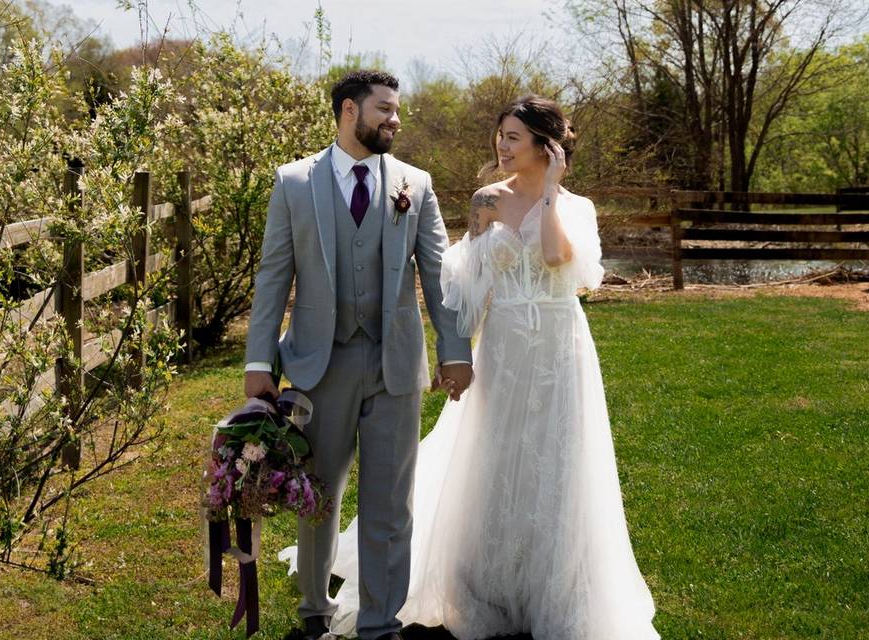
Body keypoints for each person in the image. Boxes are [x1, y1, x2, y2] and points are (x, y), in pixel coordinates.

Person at [312, 95, 661, 639]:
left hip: (559, 344)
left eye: (514, 137)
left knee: (557, 457)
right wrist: (459, 352)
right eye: (499, 135)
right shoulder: (485, 202)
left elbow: (556, 261)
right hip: (503, 346)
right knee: (497, 452)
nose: (501, 146)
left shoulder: (577, 207)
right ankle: (486, 586)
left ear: (547, 146)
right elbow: (464, 284)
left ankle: (552, 585)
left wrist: (549, 193)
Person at [243, 70, 474, 640]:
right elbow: (274, 275)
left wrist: (454, 351)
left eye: (397, 111)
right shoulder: (294, 182)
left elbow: (439, 276)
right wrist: (257, 362)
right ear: (350, 110)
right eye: (385, 109)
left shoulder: (415, 184)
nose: (395, 120)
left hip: (395, 363)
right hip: (319, 365)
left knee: (390, 503)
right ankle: (314, 613)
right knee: (317, 495)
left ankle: (380, 623)